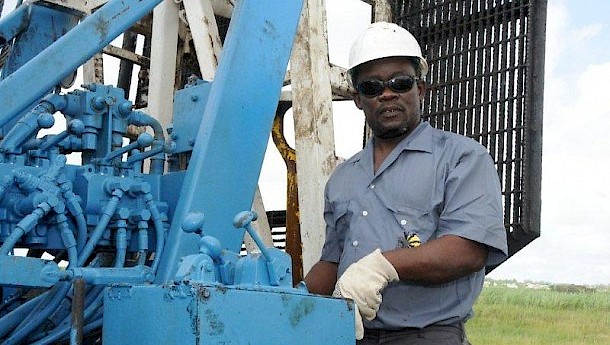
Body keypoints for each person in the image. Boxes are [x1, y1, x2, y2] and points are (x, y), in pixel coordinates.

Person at [304, 22, 508, 344]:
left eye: (400, 82)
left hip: (428, 335)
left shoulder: (461, 158)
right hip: (352, 334)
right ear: (358, 99)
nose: (387, 93)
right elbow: (332, 261)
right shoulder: (343, 179)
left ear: (420, 89)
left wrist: (383, 266)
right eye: (372, 87)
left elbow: (468, 250)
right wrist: (289, 300)